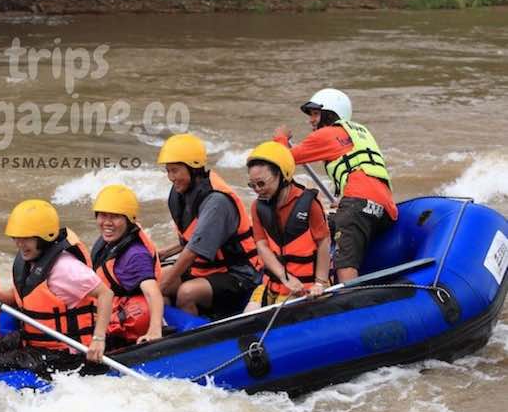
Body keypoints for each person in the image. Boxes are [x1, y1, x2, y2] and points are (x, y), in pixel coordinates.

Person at [0, 199, 114, 376]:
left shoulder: (65, 268)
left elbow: (106, 294)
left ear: (44, 237)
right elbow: (23, 295)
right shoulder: (30, 259)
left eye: (26, 238)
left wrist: (98, 340)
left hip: (65, 352)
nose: (19, 243)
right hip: (35, 342)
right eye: (16, 238)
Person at [274, 88, 397, 282]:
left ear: (330, 113)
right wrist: (344, 200)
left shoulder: (327, 134)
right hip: (386, 209)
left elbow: (279, 159)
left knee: (344, 262)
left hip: (358, 204)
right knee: (320, 226)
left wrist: (280, 138)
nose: (311, 120)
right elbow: (362, 172)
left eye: (315, 113)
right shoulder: (360, 132)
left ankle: (349, 304)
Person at [156, 133, 262, 318]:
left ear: (193, 168)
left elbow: (192, 251)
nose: (170, 177)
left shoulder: (216, 201)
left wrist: (159, 290)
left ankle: (195, 338)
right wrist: (162, 254)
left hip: (239, 273)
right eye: (168, 170)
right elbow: (191, 240)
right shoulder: (182, 193)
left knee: (186, 293)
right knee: (156, 278)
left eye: (175, 170)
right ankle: (163, 331)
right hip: (209, 268)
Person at [244, 142, 332, 311]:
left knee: (279, 316)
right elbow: (262, 245)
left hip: (305, 286)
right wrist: (284, 277)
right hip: (273, 282)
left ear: (282, 175)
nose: (257, 190)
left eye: (261, 183)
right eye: (253, 185)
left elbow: (323, 243)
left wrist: (320, 283)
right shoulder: (257, 207)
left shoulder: (309, 203)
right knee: (248, 316)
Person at [90, 185, 164, 348]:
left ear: (128, 220)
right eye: (103, 215)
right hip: (103, 309)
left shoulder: (135, 255)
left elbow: (153, 293)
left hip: (122, 321)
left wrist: (154, 330)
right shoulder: (108, 243)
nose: (107, 223)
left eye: (115, 217)